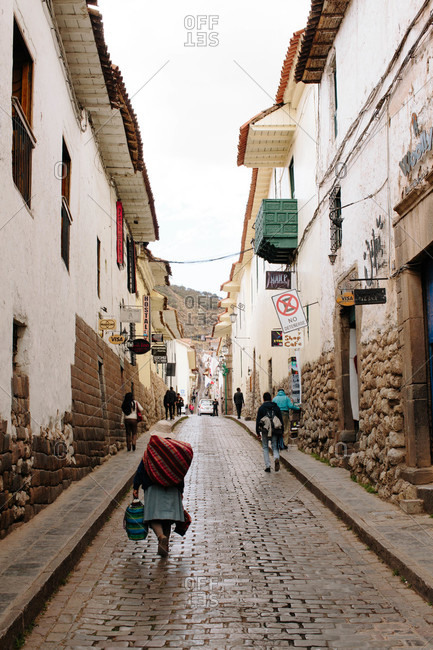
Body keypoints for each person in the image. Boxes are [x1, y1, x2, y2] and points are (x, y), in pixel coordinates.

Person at [132, 435, 193, 557]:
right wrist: (180, 490)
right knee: (168, 520)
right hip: (172, 488)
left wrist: (136, 486)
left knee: (153, 518)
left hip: (153, 488)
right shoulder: (175, 452)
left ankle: (161, 537)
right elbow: (180, 473)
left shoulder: (150, 451)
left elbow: (141, 469)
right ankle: (165, 545)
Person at [256, 392, 283, 472]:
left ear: (263, 399)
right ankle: (276, 458)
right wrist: (282, 431)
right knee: (274, 446)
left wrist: (257, 432)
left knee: (265, 447)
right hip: (275, 429)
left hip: (265, 430)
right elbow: (280, 420)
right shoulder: (276, 407)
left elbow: (258, 420)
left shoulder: (261, 408)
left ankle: (268, 466)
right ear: (271, 398)